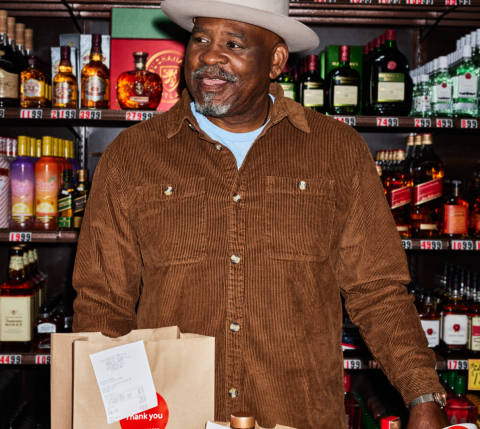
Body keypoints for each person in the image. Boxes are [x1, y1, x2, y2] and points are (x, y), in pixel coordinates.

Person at [72, 0, 448, 428]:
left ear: (276, 61)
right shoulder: (133, 156)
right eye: (200, 39)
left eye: (233, 43)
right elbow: (103, 303)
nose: (210, 56)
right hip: (175, 415)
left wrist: (420, 392)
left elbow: (377, 289)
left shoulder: (336, 151)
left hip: (299, 414)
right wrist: (115, 412)